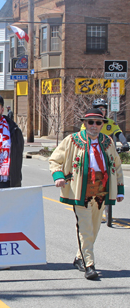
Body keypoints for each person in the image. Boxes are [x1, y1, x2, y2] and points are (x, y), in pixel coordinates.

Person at [49, 108, 124, 280]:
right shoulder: (72, 140)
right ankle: (90, 264)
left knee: (95, 226)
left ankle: (79, 258)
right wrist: (58, 176)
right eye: (91, 122)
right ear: (85, 124)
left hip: (101, 190)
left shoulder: (108, 142)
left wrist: (119, 190)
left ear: (102, 125)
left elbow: (117, 166)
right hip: (81, 190)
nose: (95, 126)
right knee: (85, 228)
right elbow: (54, 159)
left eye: (99, 122)